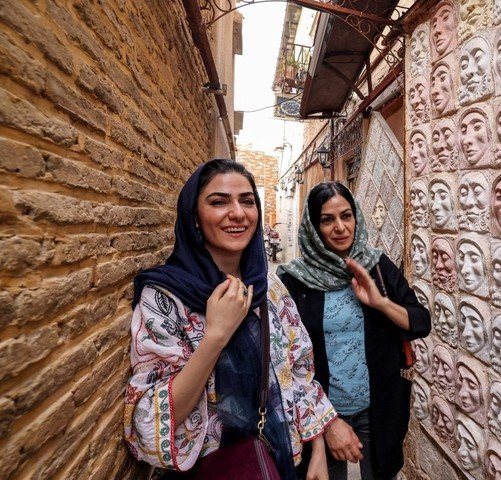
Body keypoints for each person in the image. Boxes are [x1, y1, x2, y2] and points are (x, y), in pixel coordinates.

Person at [124, 160, 336, 479]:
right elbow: (151, 425)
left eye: (247, 201)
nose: (237, 213)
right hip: (214, 469)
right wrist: (216, 336)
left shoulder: (269, 286)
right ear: (194, 217)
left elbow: (299, 369)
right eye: (219, 201)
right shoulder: (166, 297)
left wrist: (317, 449)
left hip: (273, 460)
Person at [278, 182, 432, 480]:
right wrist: (320, 433)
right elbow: (287, 361)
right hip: (321, 416)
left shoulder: (376, 266)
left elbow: (420, 321)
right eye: (327, 219)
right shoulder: (295, 280)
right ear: (313, 225)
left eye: (346, 216)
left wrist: (381, 303)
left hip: (377, 409)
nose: (340, 227)